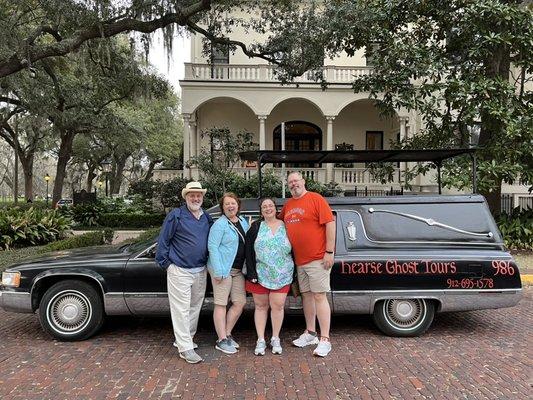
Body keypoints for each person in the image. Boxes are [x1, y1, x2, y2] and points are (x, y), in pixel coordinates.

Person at [278, 171, 336, 357]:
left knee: (319, 296)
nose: (294, 184)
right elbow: (277, 223)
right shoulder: (288, 206)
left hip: (318, 258)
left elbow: (330, 224)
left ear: (303, 181)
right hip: (300, 261)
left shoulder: (316, 199)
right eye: (290, 182)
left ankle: (325, 339)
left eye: (296, 180)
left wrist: (329, 251)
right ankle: (311, 333)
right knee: (307, 297)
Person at [156, 181, 213, 364]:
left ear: (202, 197)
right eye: (192, 195)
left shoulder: (206, 217)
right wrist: (167, 265)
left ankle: (186, 339)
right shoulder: (176, 215)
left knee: (195, 307)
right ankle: (185, 348)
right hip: (179, 270)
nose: (195, 198)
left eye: (198, 195)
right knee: (180, 309)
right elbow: (163, 241)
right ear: (185, 197)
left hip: (200, 270)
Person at [245, 197, 294, 356]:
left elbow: (296, 247)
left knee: (278, 306)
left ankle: (275, 337)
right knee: (260, 306)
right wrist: (251, 272)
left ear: (275, 208)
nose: (268, 208)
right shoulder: (256, 227)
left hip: (282, 273)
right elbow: (248, 251)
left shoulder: (286, 226)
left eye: (270, 205)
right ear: (261, 210)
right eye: (264, 206)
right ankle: (260, 339)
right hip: (260, 273)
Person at [207, 193, 249, 354]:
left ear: (238, 205)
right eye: (227, 204)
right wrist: (218, 271)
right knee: (221, 303)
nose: (230, 206)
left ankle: (227, 333)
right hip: (223, 270)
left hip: (238, 270)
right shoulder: (219, 225)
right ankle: (221, 339)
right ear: (222, 208)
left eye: (233, 203)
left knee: (239, 302)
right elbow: (213, 247)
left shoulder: (243, 222)